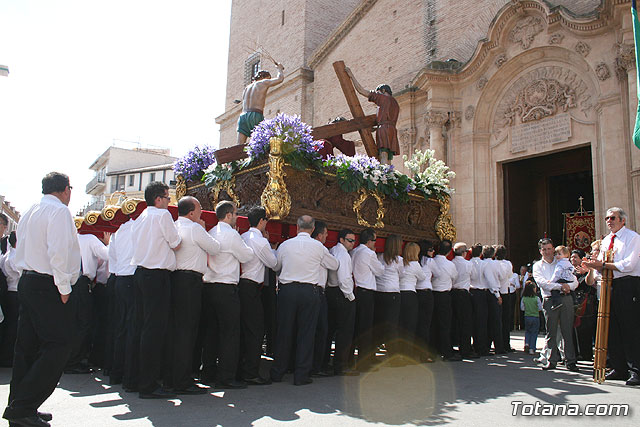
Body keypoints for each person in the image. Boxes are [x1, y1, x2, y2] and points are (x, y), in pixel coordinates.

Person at [3, 172, 80, 427]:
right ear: (65, 190)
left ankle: (20, 406)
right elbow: (58, 252)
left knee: (26, 347)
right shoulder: (59, 212)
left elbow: (19, 250)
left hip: (29, 280)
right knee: (59, 345)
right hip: (48, 284)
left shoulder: (31, 211)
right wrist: (64, 288)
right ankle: (22, 406)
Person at [270, 215, 338, 385]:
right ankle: (301, 374)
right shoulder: (318, 247)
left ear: (297, 227)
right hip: (309, 291)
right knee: (306, 333)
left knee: (284, 331)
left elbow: (277, 267)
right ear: (313, 229)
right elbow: (334, 265)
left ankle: (277, 372)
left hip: (288, 290)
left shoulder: (286, 245)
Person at [130, 181, 181, 399]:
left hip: (141, 274)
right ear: (158, 199)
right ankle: (148, 384)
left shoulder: (140, 218)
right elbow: (176, 242)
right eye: (168, 198)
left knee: (142, 328)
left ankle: (137, 379)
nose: (170, 202)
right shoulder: (162, 216)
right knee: (154, 331)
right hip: (157, 275)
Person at [167, 196, 221, 394]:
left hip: (175, 280)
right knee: (187, 332)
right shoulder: (194, 227)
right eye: (199, 209)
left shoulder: (173, 226)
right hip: (190, 282)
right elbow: (215, 247)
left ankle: (172, 376)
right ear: (191, 213)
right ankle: (182, 380)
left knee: (177, 331)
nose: (201, 212)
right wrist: (202, 227)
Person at [582, 207, 640, 386]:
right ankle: (619, 366)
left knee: (629, 327)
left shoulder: (633, 238)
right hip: (609, 284)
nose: (609, 221)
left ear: (622, 220)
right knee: (611, 327)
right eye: (607, 218)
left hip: (627, 284)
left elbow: (629, 264)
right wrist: (593, 266)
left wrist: (603, 264)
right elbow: (601, 263)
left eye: (613, 218)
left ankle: (635, 369)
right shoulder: (606, 240)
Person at [203, 200, 253, 389]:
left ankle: (207, 373)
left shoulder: (211, 232)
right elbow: (247, 256)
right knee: (230, 334)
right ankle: (226, 376)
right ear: (229, 215)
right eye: (235, 213)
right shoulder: (231, 235)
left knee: (211, 332)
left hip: (210, 286)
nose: (237, 216)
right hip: (225, 287)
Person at [238, 206, 276, 385]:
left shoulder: (244, 236)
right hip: (251, 287)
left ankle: (242, 366)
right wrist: (272, 247)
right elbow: (273, 263)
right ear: (262, 221)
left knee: (244, 329)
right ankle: (250, 371)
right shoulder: (260, 241)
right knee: (255, 330)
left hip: (241, 285)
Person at [65, 232, 109, 374]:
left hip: (68, 282)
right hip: (81, 282)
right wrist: (108, 242)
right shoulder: (89, 238)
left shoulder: (67, 237)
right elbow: (107, 254)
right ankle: (74, 361)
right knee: (83, 322)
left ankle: (70, 359)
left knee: (72, 322)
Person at [532, 238, 579, 372]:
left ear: (554, 249)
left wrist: (567, 286)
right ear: (540, 251)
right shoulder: (538, 266)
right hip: (550, 299)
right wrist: (561, 286)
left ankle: (570, 360)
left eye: (549, 249)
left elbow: (574, 281)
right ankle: (551, 360)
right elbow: (543, 284)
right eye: (544, 249)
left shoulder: (562, 262)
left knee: (567, 330)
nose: (547, 252)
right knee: (551, 331)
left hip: (566, 298)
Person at [344, 66, 399, 163]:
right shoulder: (395, 103)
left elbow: (361, 90)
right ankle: (389, 174)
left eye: (378, 92)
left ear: (382, 91)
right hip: (392, 130)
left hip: (383, 129)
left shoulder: (382, 98)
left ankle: (383, 176)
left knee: (383, 154)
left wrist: (351, 75)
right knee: (389, 157)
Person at [108, 217, 137, 391]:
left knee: (121, 328)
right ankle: (129, 375)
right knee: (133, 328)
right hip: (132, 277)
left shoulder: (119, 231)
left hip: (119, 277)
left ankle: (116, 372)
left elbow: (112, 258)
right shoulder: (140, 226)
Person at [325, 229, 358, 376]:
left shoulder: (334, 250)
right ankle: (341, 365)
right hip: (341, 293)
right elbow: (344, 278)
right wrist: (350, 296)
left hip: (332, 292)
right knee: (345, 331)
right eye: (349, 240)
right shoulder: (343, 255)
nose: (352, 243)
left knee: (331, 328)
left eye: (353, 240)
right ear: (341, 240)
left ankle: (327, 362)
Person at [352, 228, 384, 371]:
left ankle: (352, 358)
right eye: (375, 240)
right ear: (370, 241)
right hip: (366, 291)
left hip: (357, 290)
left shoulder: (355, 251)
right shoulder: (369, 253)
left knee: (356, 326)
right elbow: (380, 271)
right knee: (366, 327)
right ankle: (364, 362)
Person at [237, 63, 285, 145]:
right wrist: (279, 69)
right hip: (255, 115)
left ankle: (238, 158)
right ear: (263, 77)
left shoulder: (247, 88)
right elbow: (280, 79)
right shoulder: (263, 82)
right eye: (268, 79)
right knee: (260, 142)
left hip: (243, 116)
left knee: (239, 146)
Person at [430, 239, 461, 361]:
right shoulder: (450, 264)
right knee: (445, 324)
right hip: (444, 294)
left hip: (433, 294)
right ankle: (446, 351)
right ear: (449, 252)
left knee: (434, 323)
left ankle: (434, 348)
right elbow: (454, 277)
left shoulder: (431, 261)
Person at [374, 234, 403, 362]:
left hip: (379, 293)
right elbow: (402, 274)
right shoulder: (398, 260)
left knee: (379, 324)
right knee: (392, 325)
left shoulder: (379, 257)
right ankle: (394, 356)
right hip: (392, 294)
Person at [398, 242, 426, 364]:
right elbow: (422, 277)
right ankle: (408, 354)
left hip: (400, 293)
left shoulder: (401, 262)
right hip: (410, 294)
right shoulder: (415, 265)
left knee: (401, 325)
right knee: (410, 326)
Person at [310, 221, 330, 377]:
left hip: (305, 289)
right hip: (317, 291)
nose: (327, 236)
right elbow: (335, 265)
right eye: (325, 233)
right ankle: (315, 366)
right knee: (320, 329)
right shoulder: (321, 249)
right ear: (319, 235)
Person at [451, 242, 478, 359]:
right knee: (465, 322)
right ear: (464, 253)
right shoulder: (467, 264)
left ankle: (453, 344)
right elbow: (475, 277)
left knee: (453, 321)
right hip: (463, 293)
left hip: (452, 292)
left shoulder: (451, 263)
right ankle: (465, 348)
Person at [481, 245, 505, 355]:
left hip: (484, 293)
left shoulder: (481, 263)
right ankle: (499, 346)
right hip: (493, 293)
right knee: (496, 322)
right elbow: (498, 278)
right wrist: (497, 294)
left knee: (486, 321)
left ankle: (486, 345)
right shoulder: (495, 264)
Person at [0, 231, 18, 367]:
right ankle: (8, 356)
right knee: (13, 326)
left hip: (11, 292)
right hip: (15, 292)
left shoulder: (7, 255)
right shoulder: (15, 256)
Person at [415, 241, 435, 362]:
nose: (433, 252)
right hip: (426, 293)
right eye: (431, 250)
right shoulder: (430, 261)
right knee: (425, 324)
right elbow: (438, 273)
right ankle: (423, 354)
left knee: (417, 323)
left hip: (416, 292)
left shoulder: (415, 261)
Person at [469, 243, 490, 356]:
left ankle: (473, 344)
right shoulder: (483, 264)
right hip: (481, 292)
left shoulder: (469, 263)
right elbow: (488, 278)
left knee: (472, 320)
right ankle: (480, 346)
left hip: (471, 291)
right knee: (481, 321)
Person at [495, 245, 515, 352]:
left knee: (497, 320)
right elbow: (510, 275)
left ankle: (498, 345)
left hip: (496, 292)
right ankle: (505, 344)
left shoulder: (494, 264)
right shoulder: (508, 264)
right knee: (505, 320)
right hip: (505, 291)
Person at [549, 245, 574, 311]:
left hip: (563, 278)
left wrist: (552, 281)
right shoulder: (568, 262)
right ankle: (575, 300)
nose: (557, 256)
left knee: (554, 288)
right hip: (570, 278)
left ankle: (557, 302)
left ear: (566, 255)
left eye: (559, 254)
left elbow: (557, 273)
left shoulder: (560, 263)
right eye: (556, 254)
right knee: (570, 289)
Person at [520, 280, 543, 355]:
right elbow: (540, 308)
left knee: (528, 331)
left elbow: (522, 308)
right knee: (534, 333)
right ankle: (532, 348)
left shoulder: (524, 298)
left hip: (527, 316)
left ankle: (527, 343)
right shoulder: (537, 298)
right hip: (535, 316)